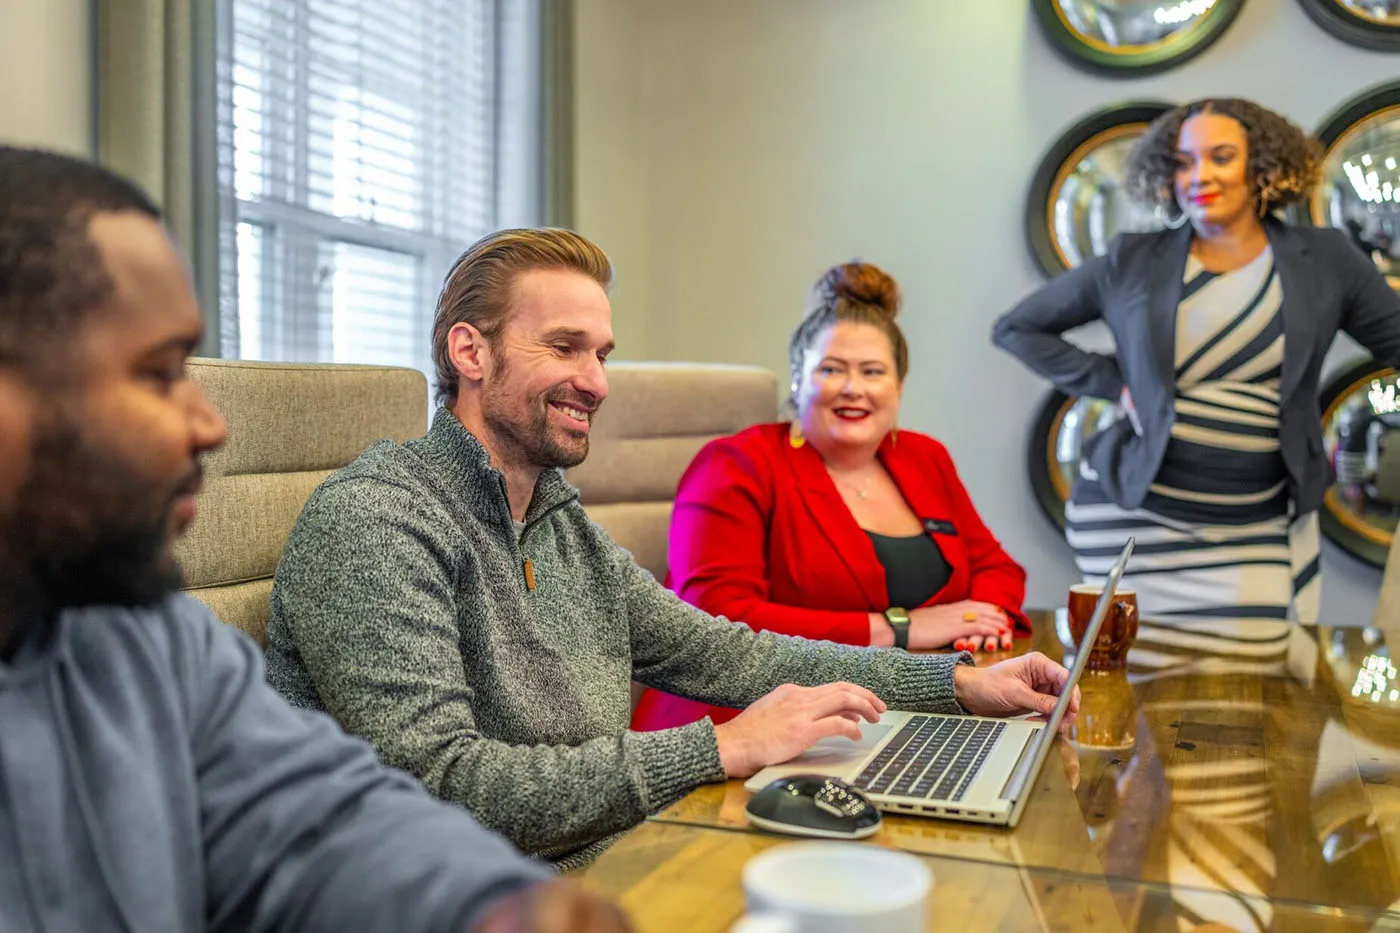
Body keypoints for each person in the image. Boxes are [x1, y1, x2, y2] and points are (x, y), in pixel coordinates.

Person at [263, 228, 1081, 870]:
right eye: (565, 346)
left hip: (599, 847)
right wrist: (720, 745)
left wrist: (964, 684)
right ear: (471, 352)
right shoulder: (377, 520)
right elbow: (444, 788)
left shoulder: (558, 521)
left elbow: (729, 656)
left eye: (602, 353)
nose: (597, 381)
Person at [0, 146, 631, 933]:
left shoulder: (140, 634)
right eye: (159, 373)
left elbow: (321, 817)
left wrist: (495, 904)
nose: (209, 424)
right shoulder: (377, 514)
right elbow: (442, 773)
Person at [992, 97, 1400, 624]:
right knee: (1134, 700)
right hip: (1135, 524)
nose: (1199, 175)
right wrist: (1116, 384)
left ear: (1263, 167)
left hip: (1259, 529)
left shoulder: (1325, 259)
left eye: (1221, 157)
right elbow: (1017, 328)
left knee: (1254, 695)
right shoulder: (1132, 259)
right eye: (1184, 162)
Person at [631, 261, 1031, 733]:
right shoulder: (734, 465)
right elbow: (714, 620)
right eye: (832, 369)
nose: (852, 388)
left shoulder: (924, 458)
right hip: (741, 724)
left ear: (898, 388)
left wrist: (981, 621)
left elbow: (996, 568)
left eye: (873, 371)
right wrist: (901, 629)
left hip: (900, 709)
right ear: (799, 379)